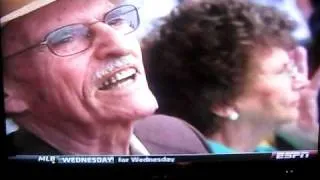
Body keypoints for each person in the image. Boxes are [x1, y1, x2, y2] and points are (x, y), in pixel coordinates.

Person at [1, 0, 210, 155]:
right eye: (65, 37)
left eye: (116, 19)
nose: (119, 45)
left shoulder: (181, 139)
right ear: (7, 91)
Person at [143, 0, 320, 153]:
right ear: (223, 103)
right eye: (282, 71)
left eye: (292, 68)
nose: (301, 83)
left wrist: (308, 139)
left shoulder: (269, 152)